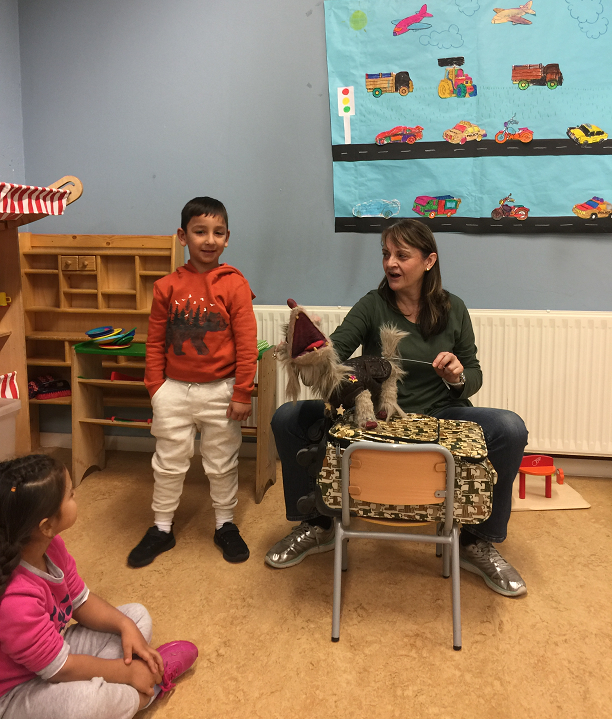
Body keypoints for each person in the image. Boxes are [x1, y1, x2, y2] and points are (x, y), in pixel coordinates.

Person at [265, 218, 528, 597]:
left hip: (441, 414)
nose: (391, 263)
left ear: (429, 261)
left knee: (510, 428)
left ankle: (476, 539)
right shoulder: (372, 305)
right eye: (386, 254)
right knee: (287, 417)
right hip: (375, 417)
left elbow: (474, 374)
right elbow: (335, 352)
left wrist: (456, 375)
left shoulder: (454, 308)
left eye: (402, 255)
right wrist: (310, 345)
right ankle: (318, 523)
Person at [0, 454, 198, 719]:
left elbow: (81, 602)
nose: (76, 496)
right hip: (15, 692)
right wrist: (127, 672)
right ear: (46, 526)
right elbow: (60, 668)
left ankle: (131, 681)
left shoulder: (52, 546)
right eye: (70, 495)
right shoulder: (15, 600)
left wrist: (125, 626)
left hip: (54, 653)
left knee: (136, 615)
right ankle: (147, 690)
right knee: (85, 703)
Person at [128, 197, 258, 567]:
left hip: (221, 392)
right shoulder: (166, 286)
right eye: (200, 231)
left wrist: (242, 392)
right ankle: (161, 528)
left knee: (221, 462)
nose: (209, 240)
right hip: (173, 391)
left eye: (218, 232)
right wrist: (156, 388)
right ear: (183, 236)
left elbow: (247, 343)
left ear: (227, 238)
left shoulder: (235, 285)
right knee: (168, 463)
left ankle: (224, 524)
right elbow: (155, 341)